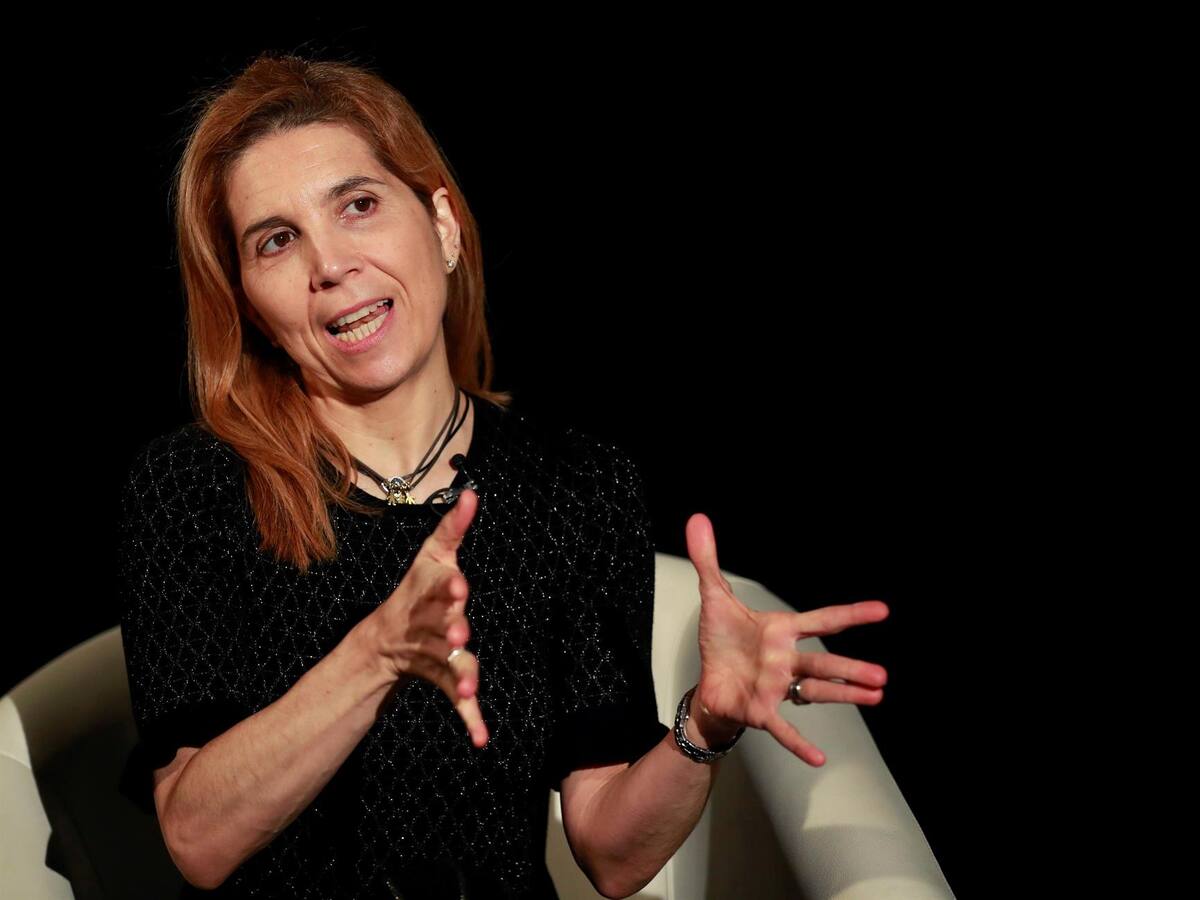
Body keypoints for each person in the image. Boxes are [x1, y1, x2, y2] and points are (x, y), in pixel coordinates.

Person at [116, 51, 890, 900]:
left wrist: (702, 726)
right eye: (276, 240)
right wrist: (376, 654)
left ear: (443, 227)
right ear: (250, 306)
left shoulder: (576, 488)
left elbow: (613, 855)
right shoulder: (192, 488)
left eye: (359, 205)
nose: (329, 264)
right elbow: (196, 839)